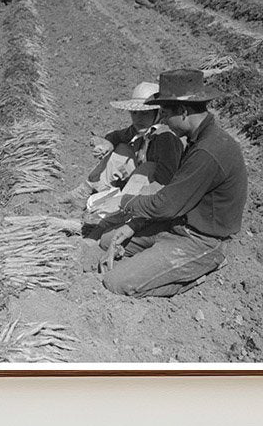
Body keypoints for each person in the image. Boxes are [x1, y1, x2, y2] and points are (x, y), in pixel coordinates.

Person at [99, 68, 248, 298]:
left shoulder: (209, 151)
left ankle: (198, 271)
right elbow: (174, 195)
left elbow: (166, 204)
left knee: (116, 282)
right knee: (107, 240)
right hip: (177, 223)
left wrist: (123, 202)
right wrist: (133, 225)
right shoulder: (196, 140)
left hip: (200, 241)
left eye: (166, 113)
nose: (164, 119)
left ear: (183, 111)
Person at [62, 80, 183, 213]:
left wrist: (135, 200)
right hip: (140, 181)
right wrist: (107, 144)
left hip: (157, 189)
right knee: (122, 150)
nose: (138, 119)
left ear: (158, 113)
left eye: (144, 113)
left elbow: (167, 180)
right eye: (134, 113)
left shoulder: (166, 138)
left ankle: (117, 211)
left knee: (147, 168)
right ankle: (85, 192)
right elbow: (117, 136)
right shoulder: (141, 129)